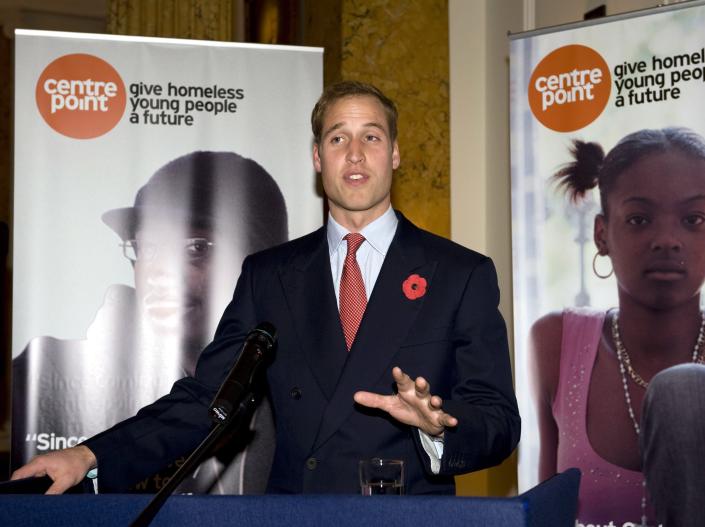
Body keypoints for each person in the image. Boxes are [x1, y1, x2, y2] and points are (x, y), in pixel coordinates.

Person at [12, 80, 520, 495]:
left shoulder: (459, 274)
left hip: (403, 513)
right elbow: (209, 398)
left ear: (396, 155)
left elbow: (498, 420)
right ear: (317, 158)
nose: (356, 154)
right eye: (338, 138)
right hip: (296, 514)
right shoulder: (271, 273)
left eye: (372, 137)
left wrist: (438, 426)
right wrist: (90, 454)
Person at [12, 151, 287, 493]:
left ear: (260, 259)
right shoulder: (50, 368)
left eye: (194, 247)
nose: (157, 272)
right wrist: (85, 455)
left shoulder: (294, 381)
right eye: (147, 247)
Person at [530, 127, 705, 526]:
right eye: (640, 219)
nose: (667, 239)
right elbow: (545, 512)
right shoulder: (556, 342)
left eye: (693, 219)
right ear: (602, 234)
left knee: (684, 391)